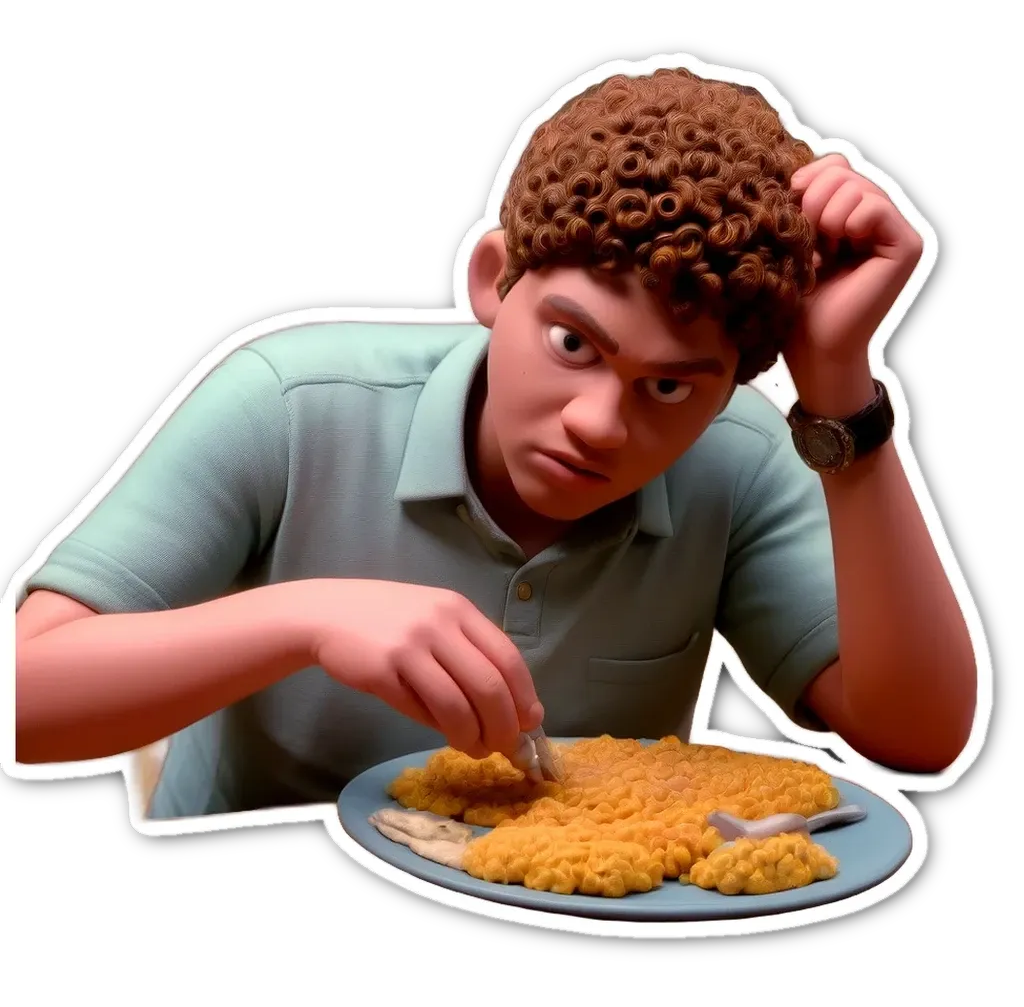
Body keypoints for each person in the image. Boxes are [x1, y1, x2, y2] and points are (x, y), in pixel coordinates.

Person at [14, 66, 977, 819]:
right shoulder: (289, 403)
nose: (601, 421)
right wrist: (306, 620)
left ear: (731, 382)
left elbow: (918, 735)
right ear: (491, 281)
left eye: (671, 385)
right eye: (572, 343)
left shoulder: (743, 457)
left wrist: (839, 388)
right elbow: (19, 694)